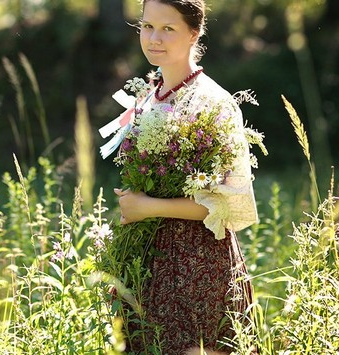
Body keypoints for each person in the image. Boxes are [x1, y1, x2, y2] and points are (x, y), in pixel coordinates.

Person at [112, 0, 258, 354]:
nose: (153, 38)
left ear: (194, 33)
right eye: (147, 26)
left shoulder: (214, 103)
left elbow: (231, 206)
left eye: (168, 28)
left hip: (198, 270)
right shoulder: (148, 96)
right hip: (146, 265)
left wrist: (147, 207)